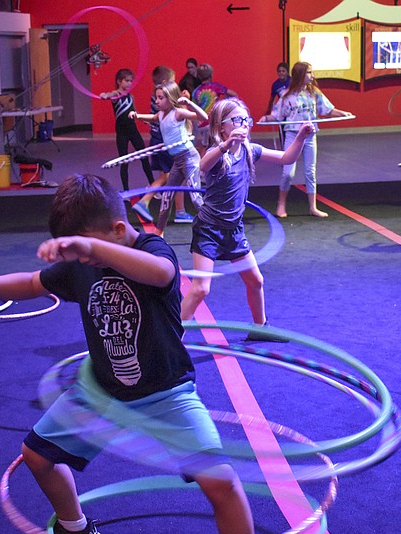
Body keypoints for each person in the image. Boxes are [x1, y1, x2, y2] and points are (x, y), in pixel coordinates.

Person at [0, 174, 256, 534]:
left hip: (166, 393)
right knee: (36, 455)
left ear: (117, 230)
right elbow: (32, 283)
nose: (83, 259)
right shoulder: (82, 263)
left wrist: (93, 248)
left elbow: (161, 273)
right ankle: (76, 528)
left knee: (222, 484)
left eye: (87, 248)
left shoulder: (152, 249)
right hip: (101, 390)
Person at [181, 98, 314, 339]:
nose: (244, 124)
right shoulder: (216, 152)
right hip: (209, 230)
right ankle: (172, 337)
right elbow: (203, 165)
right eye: (237, 120)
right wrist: (225, 145)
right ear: (221, 127)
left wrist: (301, 136)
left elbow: (287, 158)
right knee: (201, 288)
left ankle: (260, 328)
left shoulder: (250, 150)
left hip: (234, 230)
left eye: (246, 120)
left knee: (256, 281)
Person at [260, 61, 353, 218]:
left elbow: (328, 110)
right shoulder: (287, 95)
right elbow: (277, 115)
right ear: (300, 75)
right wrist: (266, 118)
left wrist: (342, 113)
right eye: (309, 72)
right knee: (288, 173)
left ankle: (313, 207)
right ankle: (281, 204)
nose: (312, 75)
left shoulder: (314, 93)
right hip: (293, 136)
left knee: (310, 172)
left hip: (310, 136)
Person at [132, 81, 207, 232]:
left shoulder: (178, 113)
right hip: (177, 161)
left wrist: (189, 103)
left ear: (170, 98)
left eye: (160, 98)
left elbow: (203, 117)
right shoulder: (160, 115)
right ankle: (158, 232)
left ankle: (213, 227)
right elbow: (153, 118)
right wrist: (137, 116)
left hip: (189, 158)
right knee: (166, 197)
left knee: (195, 198)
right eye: (156, 98)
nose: (157, 101)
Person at [130, 65, 180, 229]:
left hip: (157, 140)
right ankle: (146, 199)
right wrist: (185, 100)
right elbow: (176, 113)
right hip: (164, 142)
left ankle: (164, 204)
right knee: (174, 174)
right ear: (165, 83)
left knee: (169, 175)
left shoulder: (156, 98)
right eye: (172, 82)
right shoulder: (165, 101)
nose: (175, 84)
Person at [99, 68, 155, 191]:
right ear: (119, 81)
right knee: (124, 161)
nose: (130, 83)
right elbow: (109, 95)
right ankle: (126, 191)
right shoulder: (116, 95)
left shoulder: (130, 96)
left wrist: (143, 119)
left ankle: (153, 186)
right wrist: (105, 95)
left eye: (131, 81)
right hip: (121, 132)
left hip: (133, 130)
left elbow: (134, 112)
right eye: (127, 80)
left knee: (144, 156)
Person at [192, 64, 238, 149]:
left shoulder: (195, 91)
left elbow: (193, 108)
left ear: (198, 76)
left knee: (204, 146)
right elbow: (233, 94)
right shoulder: (216, 87)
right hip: (213, 122)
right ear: (211, 75)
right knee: (217, 145)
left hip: (201, 124)